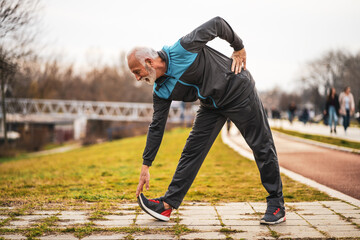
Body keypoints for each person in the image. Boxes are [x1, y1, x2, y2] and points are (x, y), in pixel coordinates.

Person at [127, 17, 285, 225]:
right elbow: (157, 127)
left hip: (238, 91)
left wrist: (239, 47)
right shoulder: (160, 90)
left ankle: (277, 205)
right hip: (211, 105)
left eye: (137, 72)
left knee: (261, 146)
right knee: (192, 152)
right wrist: (146, 165)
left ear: (149, 62)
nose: (138, 79)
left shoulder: (183, 48)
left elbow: (218, 24)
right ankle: (167, 205)